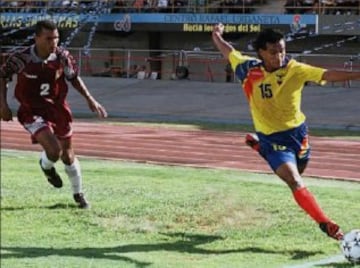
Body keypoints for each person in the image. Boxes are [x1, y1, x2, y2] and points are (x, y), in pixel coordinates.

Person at [212, 23, 360, 240]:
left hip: (298, 134)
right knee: (294, 181)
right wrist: (216, 35)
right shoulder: (247, 69)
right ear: (261, 52)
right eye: (273, 52)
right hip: (271, 137)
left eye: (282, 50)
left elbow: (328, 74)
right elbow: (228, 51)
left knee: (299, 172)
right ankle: (324, 223)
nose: (279, 56)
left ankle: (260, 148)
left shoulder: (296, 70)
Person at [0, 20, 108, 209]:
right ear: (37, 38)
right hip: (31, 110)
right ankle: (47, 166)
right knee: (53, 150)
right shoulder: (21, 58)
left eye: (56, 38)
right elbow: (2, 76)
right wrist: (3, 104)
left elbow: (73, 78)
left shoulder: (62, 56)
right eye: (48, 39)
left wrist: (90, 99)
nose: (54, 43)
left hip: (57, 108)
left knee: (67, 155)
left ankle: (78, 194)